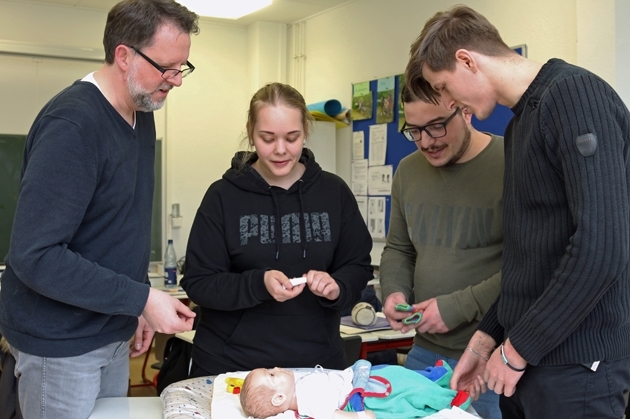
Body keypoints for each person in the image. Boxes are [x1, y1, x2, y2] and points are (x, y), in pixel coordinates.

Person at [405, 5, 630, 419]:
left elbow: (602, 248)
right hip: (528, 362)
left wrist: (515, 351)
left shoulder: (575, 96)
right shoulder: (520, 124)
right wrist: (487, 339)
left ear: (467, 60)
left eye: (446, 87)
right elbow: (532, 263)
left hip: (575, 366)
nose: (453, 103)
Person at [0, 1, 199, 417]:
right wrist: (140, 298)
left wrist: (135, 306)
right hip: (62, 348)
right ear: (123, 55)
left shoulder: (142, 112)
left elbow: (118, 229)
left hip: (110, 334)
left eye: (183, 67)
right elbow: (35, 256)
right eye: (166, 67)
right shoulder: (73, 125)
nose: (176, 80)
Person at [181, 82, 373, 377]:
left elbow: (358, 266)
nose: (280, 150)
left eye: (291, 138)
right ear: (250, 132)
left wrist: (337, 287)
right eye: (267, 138)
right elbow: (199, 282)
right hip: (231, 366)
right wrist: (259, 284)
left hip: (316, 365)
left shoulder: (333, 193)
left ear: (305, 132)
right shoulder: (222, 196)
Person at [379, 84, 503, 419]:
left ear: (465, 109)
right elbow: (399, 249)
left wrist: (454, 307)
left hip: (491, 358)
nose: (426, 141)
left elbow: (529, 267)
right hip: (424, 354)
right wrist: (393, 292)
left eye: (437, 126)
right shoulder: (408, 170)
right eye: (414, 130)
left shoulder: (512, 164)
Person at [239, 360, 471, 419]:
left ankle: (434, 379)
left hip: (356, 376)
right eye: (271, 374)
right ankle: (446, 397)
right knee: (403, 385)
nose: (277, 368)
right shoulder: (306, 399)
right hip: (360, 389)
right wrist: (361, 415)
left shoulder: (295, 386)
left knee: (399, 374)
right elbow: (333, 415)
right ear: (279, 397)